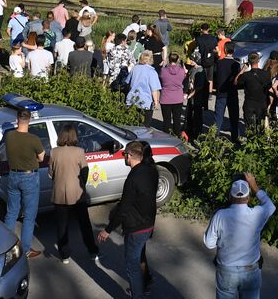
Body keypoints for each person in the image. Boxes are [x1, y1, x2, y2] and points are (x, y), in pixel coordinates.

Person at [203, 172, 276, 299]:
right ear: (248, 197)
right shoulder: (257, 214)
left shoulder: (220, 215)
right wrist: (255, 186)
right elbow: (270, 206)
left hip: (226, 270)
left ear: (230, 197)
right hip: (251, 270)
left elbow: (209, 244)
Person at [98, 141, 157, 296]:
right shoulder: (151, 170)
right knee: (139, 258)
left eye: (124, 154)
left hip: (136, 228)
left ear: (130, 156)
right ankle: (145, 285)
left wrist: (107, 230)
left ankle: (138, 293)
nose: (124, 156)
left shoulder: (132, 179)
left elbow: (124, 208)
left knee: (132, 267)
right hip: (148, 224)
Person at [45, 122, 94, 264]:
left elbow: (50, 174)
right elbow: (85, 171)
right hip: (77, 194)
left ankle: (64, 254)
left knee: (62, 225)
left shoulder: (54, 152)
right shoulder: (79, 151)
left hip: (59, 194)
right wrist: (81, 184)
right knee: (84, 224)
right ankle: (92, 251)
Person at [2, 108, 45, 258]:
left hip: (13, 175)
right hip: (29, 178)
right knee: (29, 216)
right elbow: (41, 157)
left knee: (11, 212)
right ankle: (25, 250)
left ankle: (7, 247)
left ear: (17, 119)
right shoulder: (34, 139)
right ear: (30, 120)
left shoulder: (9, 136)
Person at [158, 53, 187, 135]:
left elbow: (160, 79)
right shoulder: (181, 71)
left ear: (168, 59)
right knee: (177, 120)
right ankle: (177, 135)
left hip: (165, 97)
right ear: (177, 60)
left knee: (166, 120)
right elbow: (185, 79)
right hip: (178, 97)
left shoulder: (163, 70)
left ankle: (166, 137)